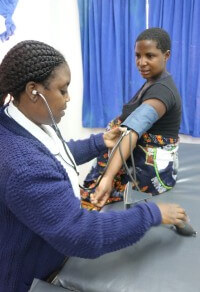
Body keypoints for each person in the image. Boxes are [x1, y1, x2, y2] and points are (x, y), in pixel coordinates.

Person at [0, 40, 186, 292]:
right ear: (34, 91)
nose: (69, 98)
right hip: (29, 275)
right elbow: (80, 235)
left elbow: (51, 152)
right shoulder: (24, 167)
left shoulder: (14, 119)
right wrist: (153, 214)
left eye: (150, 56)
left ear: (166, 56)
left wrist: (99, 142)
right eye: (63, 90)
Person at [81, 27, 182, 209]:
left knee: (92, 196)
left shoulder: (161, 92)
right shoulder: (153, 82)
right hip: (144, 164)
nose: (141, 62)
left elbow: (132, 131)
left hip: (152, 174)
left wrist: (108, 177)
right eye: (138, 56)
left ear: (166, 55)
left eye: (150, 56)